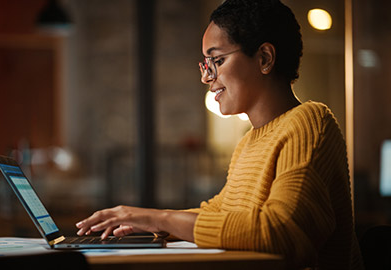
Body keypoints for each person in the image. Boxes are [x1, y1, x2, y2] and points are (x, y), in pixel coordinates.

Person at [76, 0, 363, 268]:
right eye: (205, 64)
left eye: (217, 60)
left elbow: (282, 231)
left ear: (264, 57)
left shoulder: (310, 122)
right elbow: (219, 215)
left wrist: (158, 217)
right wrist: (152, 222)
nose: (206, 77)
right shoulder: (249, 141)